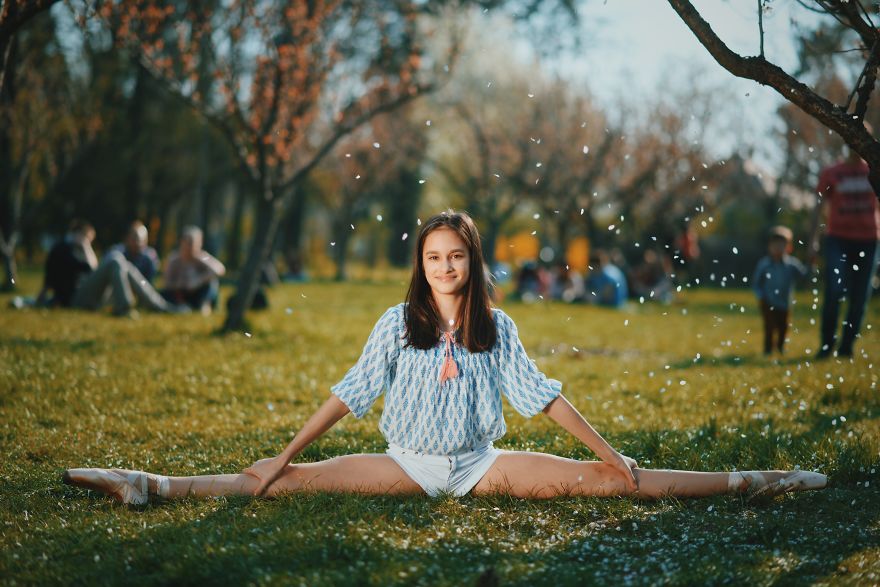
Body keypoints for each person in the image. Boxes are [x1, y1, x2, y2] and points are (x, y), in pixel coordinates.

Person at [63, 210, 826, 505]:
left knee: (612, 481)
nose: (445, 266)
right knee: (275, 484)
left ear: (473, 260)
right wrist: (279, 452)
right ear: (421, 263)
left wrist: (607, 448)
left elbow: (545, 397)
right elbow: (348, 395)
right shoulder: (396, 322)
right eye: (433, 255)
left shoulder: (500, 325)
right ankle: (148, 484)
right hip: (407, 462)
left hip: (481, 463)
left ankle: (753, 479)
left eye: (456, 255)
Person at [810, 133, 879, 359]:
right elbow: (818, 207)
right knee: (834, 291)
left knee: (860, 296)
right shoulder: (832, 172)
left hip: (869, 240)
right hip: (837, 238)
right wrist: (812, 239)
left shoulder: (875, 170)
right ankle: (827, 345)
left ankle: (847, 347)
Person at [36, 220, 182, 316]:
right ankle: (124, 307)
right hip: (75, 299)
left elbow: (93, 270)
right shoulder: (60, 249)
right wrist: (41, 298)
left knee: (123, 264)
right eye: (87, 238)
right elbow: (52, 276)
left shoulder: (148, 256)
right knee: (116, 259)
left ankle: (161, 306)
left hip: (97, 298)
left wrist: (85, 247)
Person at [752, 226, 810, 356]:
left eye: (781, 245)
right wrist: (761, 296)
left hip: (785, 302)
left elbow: (804, 276)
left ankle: (780, 347)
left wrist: (810, 264)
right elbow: (756, 283)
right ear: (769, 246)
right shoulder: (764, 264)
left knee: (783, 326)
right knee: (769, 326)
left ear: (789, 247)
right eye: (775, 244)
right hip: (768, 302)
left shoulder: (792, 265)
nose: (778, 248)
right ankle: (767, 349)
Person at [161, 226, 226, 314]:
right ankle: (180, 306)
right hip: (180, 293)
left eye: (192, 243)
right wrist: (182, 284)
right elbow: (167, 283)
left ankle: (204, 305)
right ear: (181, 242)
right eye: (186, 242)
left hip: (198, 293)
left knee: (212, 283)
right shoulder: (174, 259)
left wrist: (198, 280)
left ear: (200, 243)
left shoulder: (203, 257)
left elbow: (220, 269)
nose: (189, 247)